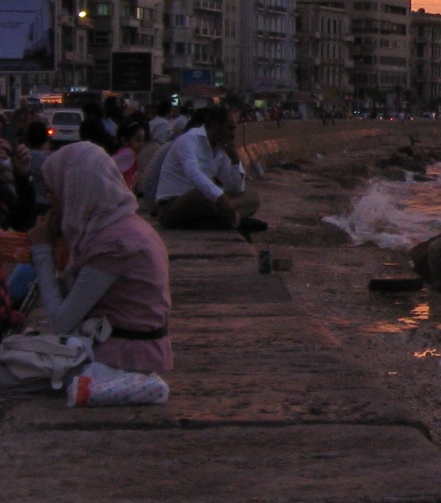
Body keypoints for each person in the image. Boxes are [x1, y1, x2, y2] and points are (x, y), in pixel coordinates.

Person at [27, 142, 172, 379]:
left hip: (122, 357)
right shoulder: (120, 226)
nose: (50, 199)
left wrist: (42, 251)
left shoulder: (114, 245)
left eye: (53, 191)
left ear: (73, 190)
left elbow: (60, 322)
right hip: (120, 348)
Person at [155, 104, 265, 233]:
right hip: (173, 206)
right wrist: (221, 198)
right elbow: (193, 173)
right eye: (229, 129)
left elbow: (236, 188)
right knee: (204, 194)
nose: (232, 134)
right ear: (215, 126)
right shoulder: (188, 141)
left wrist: (234, 159)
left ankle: (225, 220)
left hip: (206, 206)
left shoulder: (220, 149)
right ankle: (232, 220)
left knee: (253, 199)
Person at [112, 118, 146, 192]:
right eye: (138, 140)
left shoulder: (126, 154)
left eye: (143, 140)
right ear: (124, 141)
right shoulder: (128, 154)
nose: (142, 144)